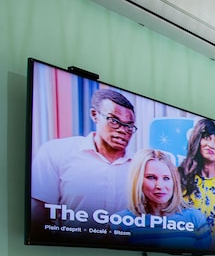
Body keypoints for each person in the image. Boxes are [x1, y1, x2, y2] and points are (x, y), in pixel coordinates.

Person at [30, 88, 137, 235]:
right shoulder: (56, 152)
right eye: (114, 121)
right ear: (95, 115)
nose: (123, 130)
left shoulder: (141, 167)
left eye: (129, 126)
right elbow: (38, 216)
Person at [114, 149, 211, 251]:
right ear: (138, 181)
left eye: (166, 178)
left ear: (174, 181)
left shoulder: (195, 218)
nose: (160, 186)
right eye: (151, 177)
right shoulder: (120, 221)